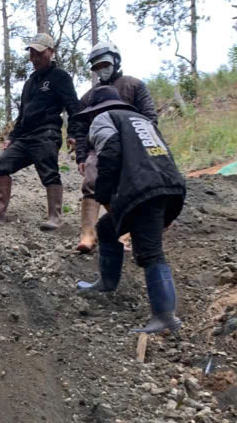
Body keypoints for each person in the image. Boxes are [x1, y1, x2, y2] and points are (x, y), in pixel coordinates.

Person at [74, 85, 186, 335]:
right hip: (169, 186)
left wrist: (103, 193)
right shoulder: (142, 121)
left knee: (150, 252)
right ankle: (107, 283)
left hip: (145, 191)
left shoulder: (103, 119)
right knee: (106, 227)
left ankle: (165, 318)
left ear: (96, 110)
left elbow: (109, 152)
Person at [0, 33, 83, 230]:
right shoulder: (30, 82)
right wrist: (12, 137)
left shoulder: (60, 77)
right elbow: (22, 115)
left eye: (39, 54)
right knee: (1, 164)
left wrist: (73, 134)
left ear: (50, 53)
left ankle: (55, 217)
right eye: (32, 54)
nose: (34, 58)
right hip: (25, 137)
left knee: (49, 173)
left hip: (47, 134)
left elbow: (74, 108)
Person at [73, 41, 158, 253]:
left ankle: (126, 234)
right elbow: (80, 128)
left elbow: (149, 117)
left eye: (105, 64)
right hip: (99, 148)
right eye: (96, 66)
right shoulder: (89, 97)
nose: (102, 69)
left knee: (130, 187)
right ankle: (88, 233)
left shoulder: (134, 85)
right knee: (92, 181)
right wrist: (81, 156)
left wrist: (144, 146)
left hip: (132, 145)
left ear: (116, 61)